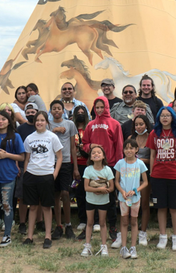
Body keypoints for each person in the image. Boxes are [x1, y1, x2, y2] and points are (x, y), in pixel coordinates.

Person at [82, 96, 123, 241]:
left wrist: (118, 167)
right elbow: (85, 143)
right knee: (92, 196)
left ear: (106, 107)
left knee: (110, 198)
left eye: (102, 107)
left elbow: (119, 146)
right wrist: (90, 147)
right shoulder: (90, 125)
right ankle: (90, 225)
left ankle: (112, 226)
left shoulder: (115, 124)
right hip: (93, 166)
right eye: (97, 107)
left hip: (110, 165)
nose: (99, 110)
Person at [147, 106, 176, 251]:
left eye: (167, 115)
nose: (165, 118)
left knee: (175, 208)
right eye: (162, 115)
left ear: (172, 118)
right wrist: (151, 173)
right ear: (158, 118)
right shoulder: (154, 133)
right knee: (161, 207)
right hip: (158, 175)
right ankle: (163, 236)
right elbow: (152, 155)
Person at [22, 111, 63, 249]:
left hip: (47, 175)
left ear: (46, 122)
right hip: (32, 175)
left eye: (42, 120)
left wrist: (54, 174)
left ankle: (47, 236)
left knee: (46, 206)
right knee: (33, 206)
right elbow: (27, 158)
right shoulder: (29, 138)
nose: (39, 122)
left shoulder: (52, 137)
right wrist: (26, 172)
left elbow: (60, 157)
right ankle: (29, 236)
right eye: (37, 120)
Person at [0, 109, 25, 247]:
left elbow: (22, 156)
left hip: (9, 175)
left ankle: (7, 235)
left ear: (9, 121)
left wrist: (6, 155)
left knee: (7, 205)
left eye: (3, 119)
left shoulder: (15, 137)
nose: (0, 122)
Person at [49, 100, 79, 240]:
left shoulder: (70, 124)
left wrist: (75, 167)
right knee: (55, 194)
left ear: (63, 111)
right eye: (54, 108)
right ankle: (58, 225)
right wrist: (54, 130)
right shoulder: (48, 125)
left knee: (66, 193)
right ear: (51, 111)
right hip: (51, 163)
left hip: (66, 162)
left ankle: (68, 225)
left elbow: (73, 147)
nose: (56, 111)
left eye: (59, 108)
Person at [113, 139, 148, 259]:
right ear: (123, 150)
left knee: (133, 222)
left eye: (131, 148)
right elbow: (116, 181)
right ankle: (123, 247)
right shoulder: (119, 163)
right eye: (126, 148)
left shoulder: (140, 164)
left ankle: (133, 247)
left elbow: (145, 182)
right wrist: (122, 192)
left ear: (136, 149)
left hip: (135, 198)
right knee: (124, 221)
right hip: (123, 199)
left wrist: (136, 190)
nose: (129, 150)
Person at [80, 145, 115, 257]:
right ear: (90, 157)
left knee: (102, 223)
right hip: (90, 200)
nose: (96, 154)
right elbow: (86, 188)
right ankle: (87, 246)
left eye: (99, 152)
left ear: (103, 156)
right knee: (89, 223)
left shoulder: (108, 170)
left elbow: (112, 188)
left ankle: (104, 246)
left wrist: (104, 190)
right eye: (93, 153)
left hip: (103, 201)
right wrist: (98, 189)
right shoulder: (88, 170)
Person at [15, 102, 39, 235]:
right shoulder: (21, 129)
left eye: (33, 112)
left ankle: (39, 222)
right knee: (23, 197)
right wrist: (17, 166)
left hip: (40, 166)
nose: (30, 114)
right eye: (28, 112)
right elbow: (17, 149)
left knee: (39, 197)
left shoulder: (41, 127)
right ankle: (22, 223)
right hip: (24, 166)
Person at [130, 114, 152, 246]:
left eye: (141, 124)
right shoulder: (131, 138)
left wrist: (141, 161)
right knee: (131, 204)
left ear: (146, 124)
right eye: (136, 124)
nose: (139, 127)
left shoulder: (151, 137)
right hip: (131, 176)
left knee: (144, 204)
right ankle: (131, 231)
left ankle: (143, 232)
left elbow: (154, 158)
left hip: (145, 175)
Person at [72, 105, 90, 237]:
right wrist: (75, 168)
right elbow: (71, 148)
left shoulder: (89, 128)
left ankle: (92, 219)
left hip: (89, 164)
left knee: (90, 192)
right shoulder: (72, 129)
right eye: (77, 112)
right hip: (76, 164)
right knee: (79, 193)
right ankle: (82, 219)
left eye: (82, 112)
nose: (80, 114)